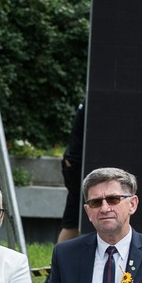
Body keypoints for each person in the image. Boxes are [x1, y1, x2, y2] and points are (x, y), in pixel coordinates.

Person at [57, 100, 85, 243]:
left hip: (75, 163)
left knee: (74, 217)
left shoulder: (90, 99)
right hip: (77, 165)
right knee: (73, 217)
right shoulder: (93, 100)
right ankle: (60, 256)